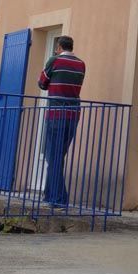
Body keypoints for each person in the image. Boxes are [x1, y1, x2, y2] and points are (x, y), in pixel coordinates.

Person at [38, 35, 86, 206]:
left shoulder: (55, 60)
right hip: (73, 114)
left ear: (59, 47)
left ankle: (59, 199)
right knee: (57, 156)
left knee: (54, 156)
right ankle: (49, 195)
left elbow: (42, 83)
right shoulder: (81, 64)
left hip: (56, 114)